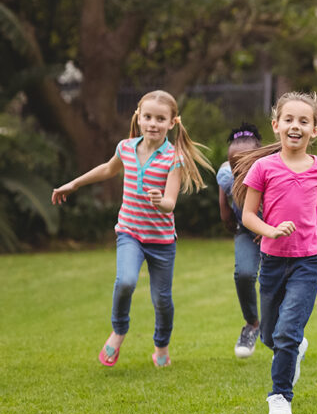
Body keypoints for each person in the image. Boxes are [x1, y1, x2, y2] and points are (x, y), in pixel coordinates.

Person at [51, 90, 212, 368]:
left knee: (162, 300)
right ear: (138, 117)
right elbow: (107, 169)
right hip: (130, 233)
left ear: (172, 123)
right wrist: (74, 184)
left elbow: (171, 203)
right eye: (148, 117)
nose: (153, 123)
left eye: (160, 119)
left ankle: (161, 346)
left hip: (161, 241)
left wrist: (161, 201)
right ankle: (119, 331)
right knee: (125, 282)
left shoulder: (174, 158)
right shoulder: (125, 147)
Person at [232, 91, 317, 414]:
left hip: (309, 258)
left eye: (304, 121)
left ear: (315, 130)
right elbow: (248, 215)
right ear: (276, 125)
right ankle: (294, 348)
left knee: (286, 331)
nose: (295, 126)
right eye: (289, 120)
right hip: (272, 259)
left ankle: (280, 396)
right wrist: (270, 230)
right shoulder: (263, 167)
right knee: (272, 335)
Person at [216, 123, 263, 358]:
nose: (239, 171)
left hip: (275, 231)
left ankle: (282, 333)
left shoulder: (272, 173)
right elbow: (224, 202)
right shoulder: (226, 175)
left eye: (246, 165)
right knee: (244, 274)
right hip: (246, 231)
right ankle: (252, 324)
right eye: (236, 166)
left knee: (275, 282)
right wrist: (229, 221)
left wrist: (266, 229)